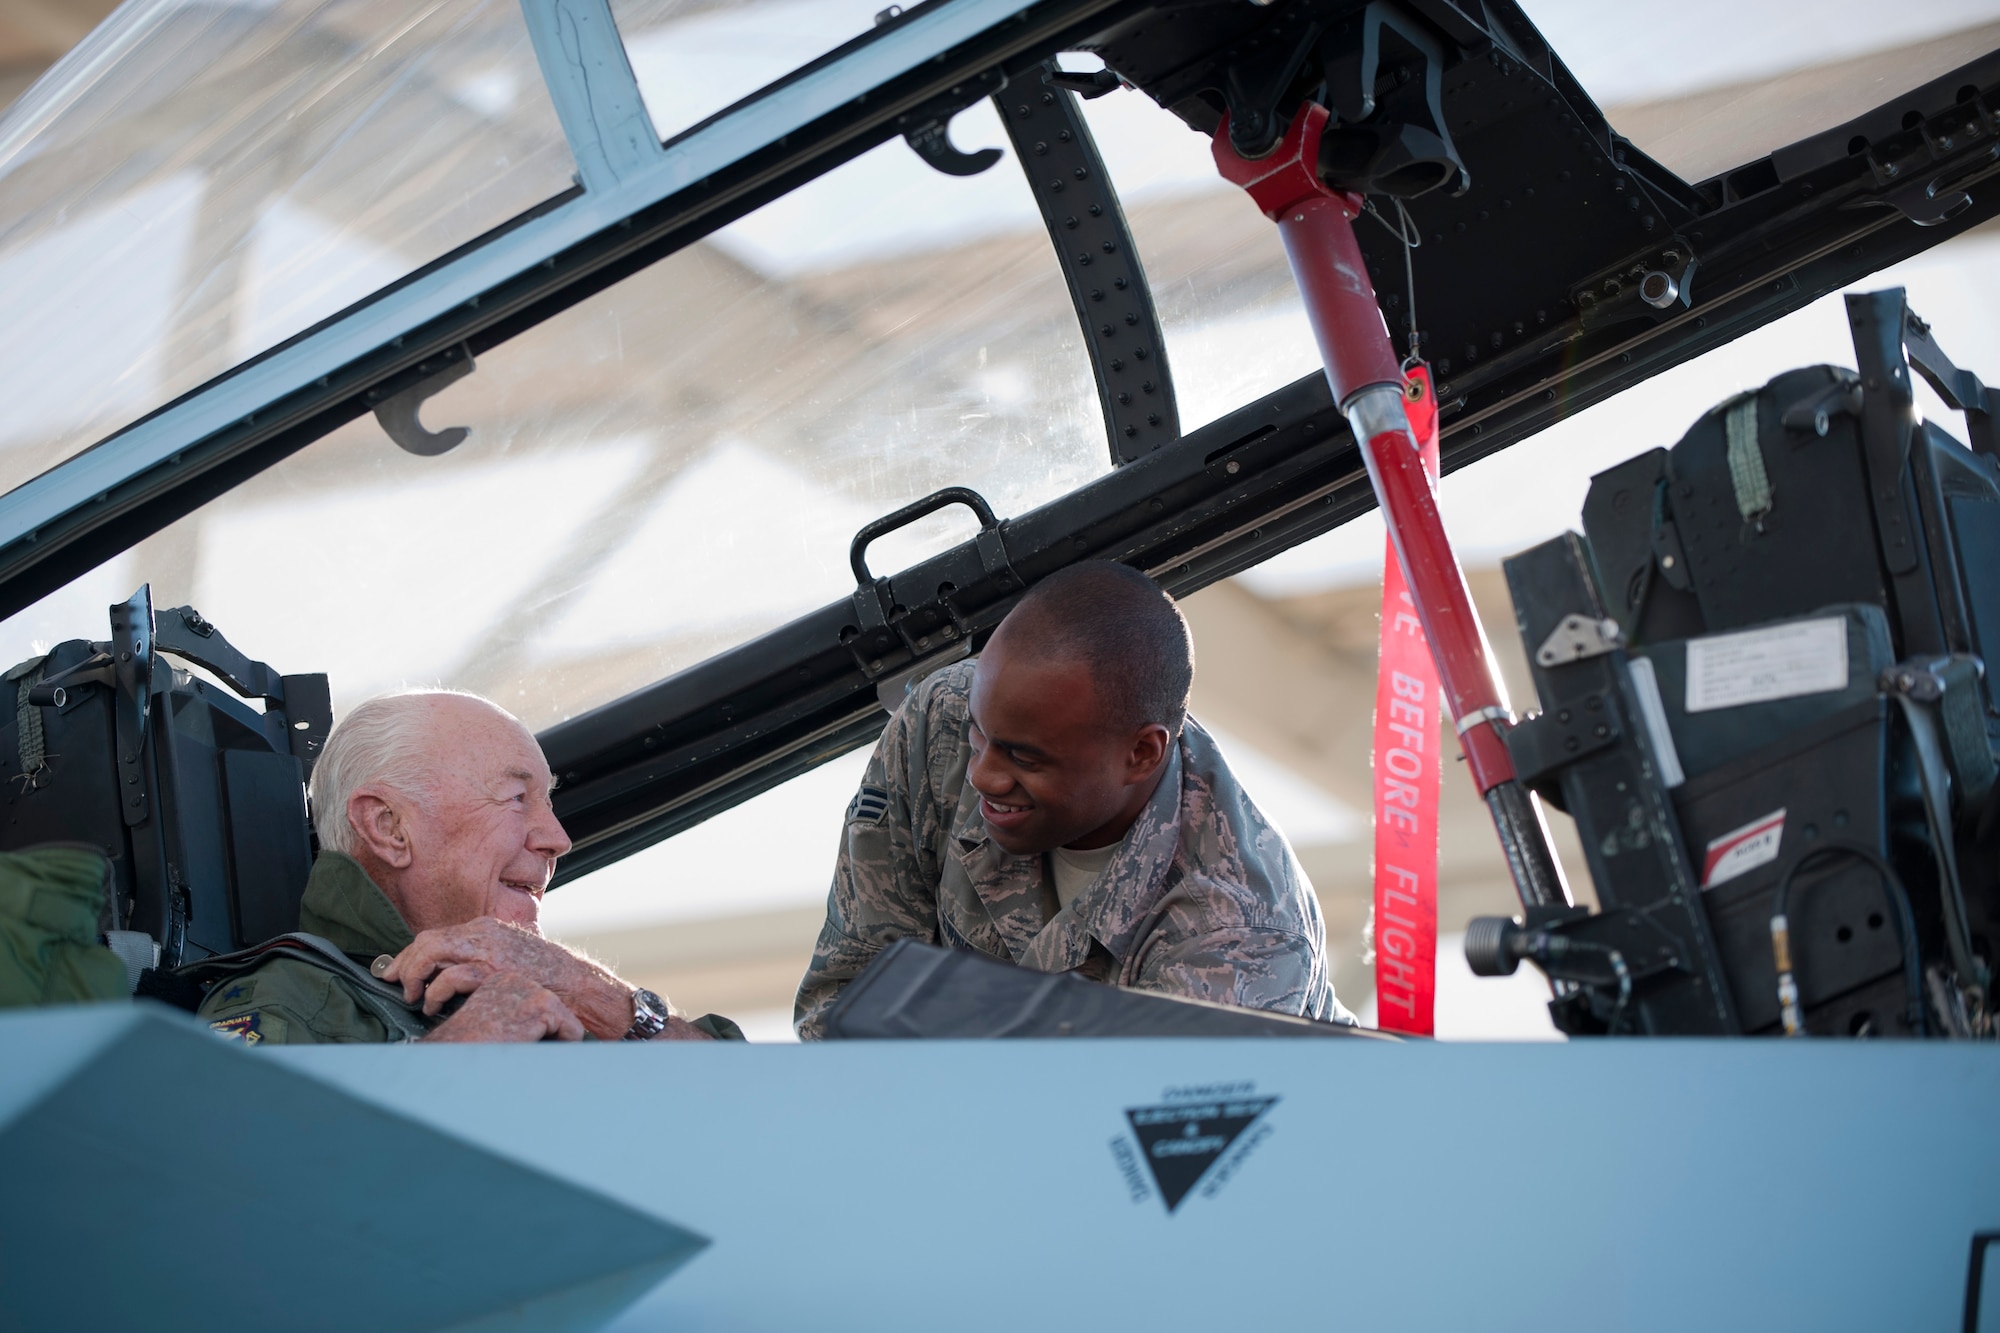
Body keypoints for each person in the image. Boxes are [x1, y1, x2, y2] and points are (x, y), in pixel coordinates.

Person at [795, 561, 1350, 1039]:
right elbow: (849, 1000)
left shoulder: (1237, 935)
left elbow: (1110, 1140)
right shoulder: (943, 718)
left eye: (1024, 758)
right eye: (979, 736)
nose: (984, 775)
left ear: (1141, 754)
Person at [197, 691, 739, 1044]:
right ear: (389, 827)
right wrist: (455, 1062)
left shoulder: (555, 999)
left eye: (548, 802)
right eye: (516, 798)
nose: (559, 839)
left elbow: (769, 1114)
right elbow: (229, 1187)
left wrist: (597, 997)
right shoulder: (286, 1005)